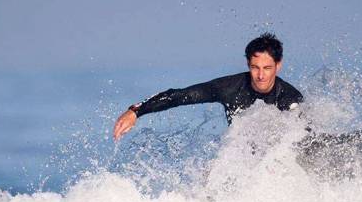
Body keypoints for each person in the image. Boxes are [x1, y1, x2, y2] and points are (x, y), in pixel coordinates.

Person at [113, 33, 304, 140]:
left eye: (267, 68)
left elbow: (303, 136)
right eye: (255, 67)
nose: (261, 75)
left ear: (278, 65)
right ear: (248, 64)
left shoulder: (289, 97)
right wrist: (136, 111)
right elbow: (179, 96)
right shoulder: (229, 88)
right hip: (241, 163)